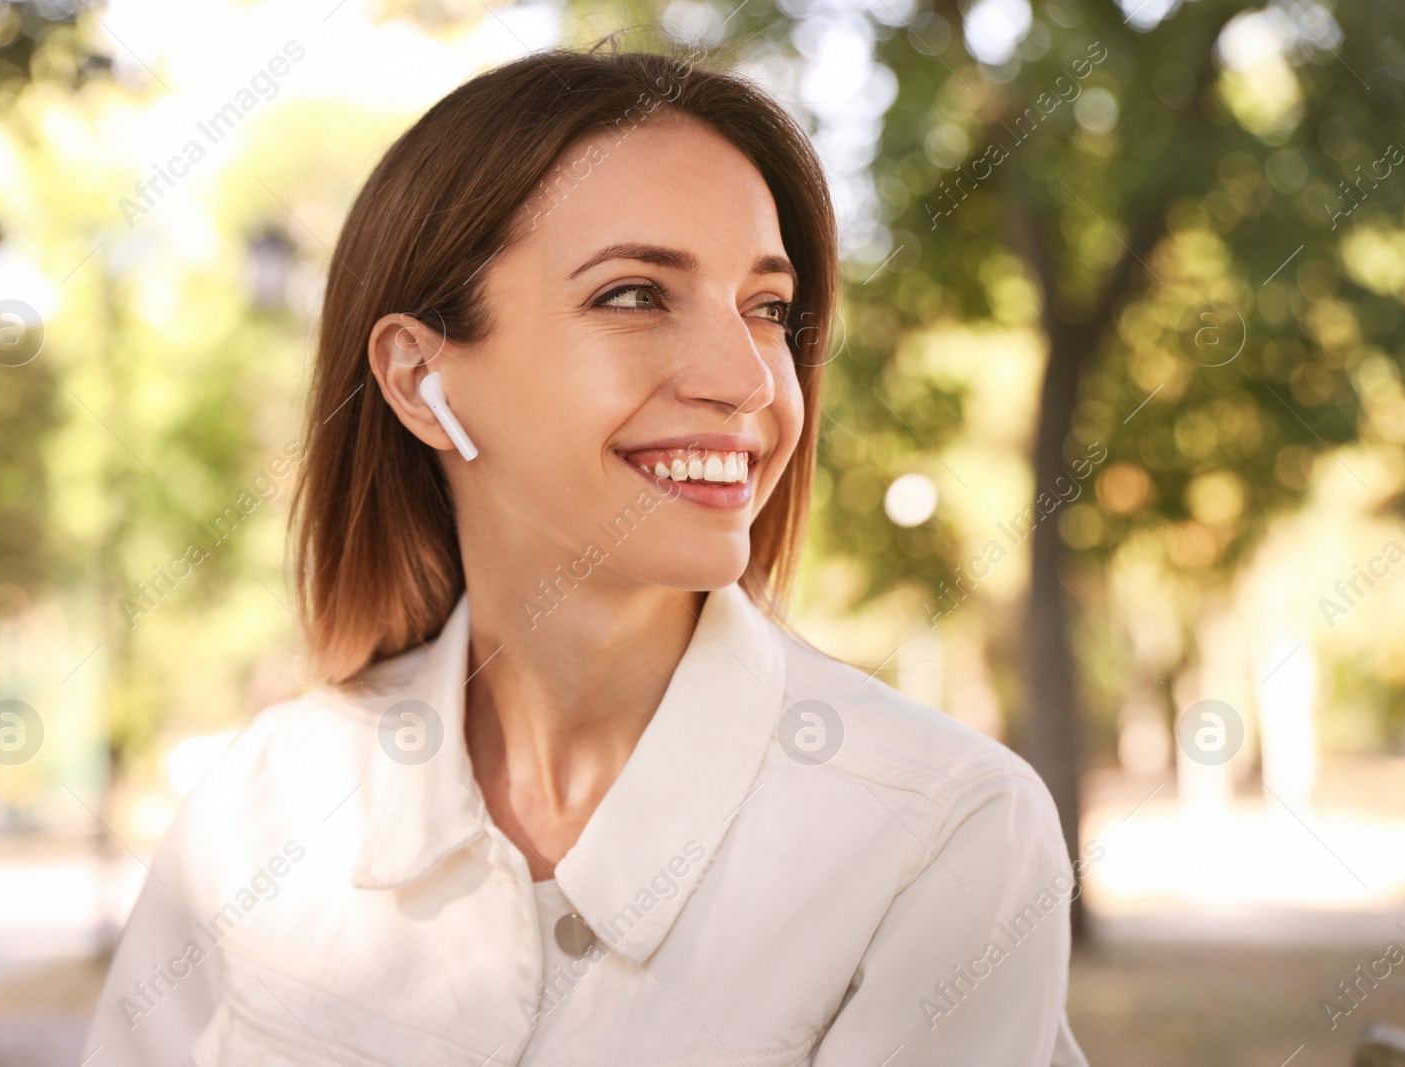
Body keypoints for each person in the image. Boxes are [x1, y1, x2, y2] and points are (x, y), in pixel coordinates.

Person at [82, 42, 1090, 1066]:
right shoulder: (261, 807)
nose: (746, 378)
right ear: (419, 375)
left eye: (768, 307)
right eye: (636, 295)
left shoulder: (944, 832)